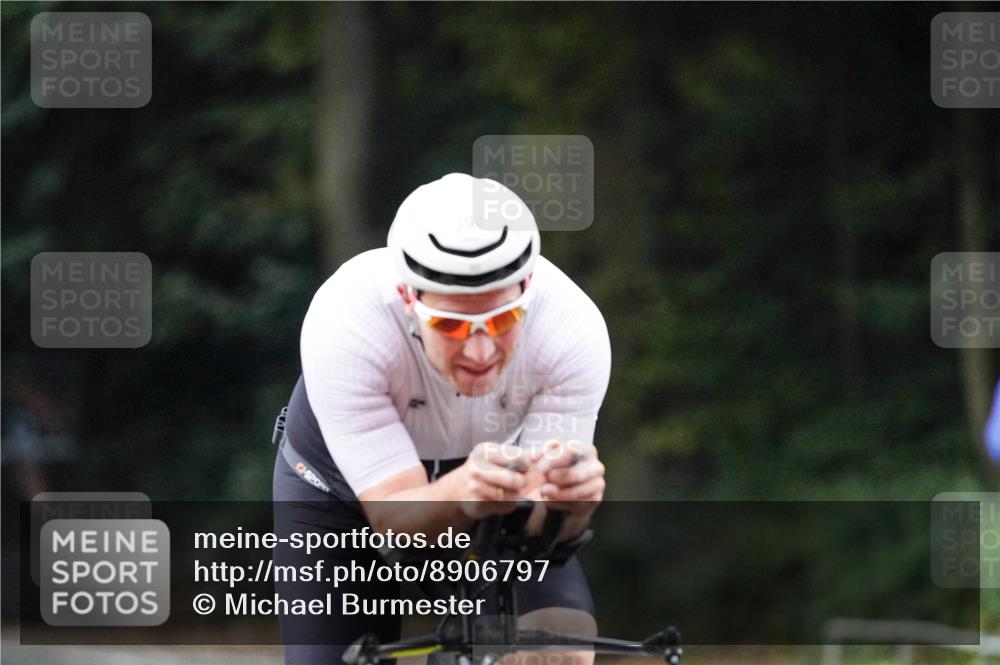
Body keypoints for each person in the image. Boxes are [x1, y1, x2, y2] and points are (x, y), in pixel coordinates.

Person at [272, 173, 611, 665]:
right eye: (451, 325)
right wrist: (462, 489)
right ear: (409, 300)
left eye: (501, 321)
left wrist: (573, 504)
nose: (480, 352)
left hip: (492, 498)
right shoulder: (346, 322)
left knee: (555, 648)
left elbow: (540, 533)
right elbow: (392, 520)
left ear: (528, 290)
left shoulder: (570, 329)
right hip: (342, 497)